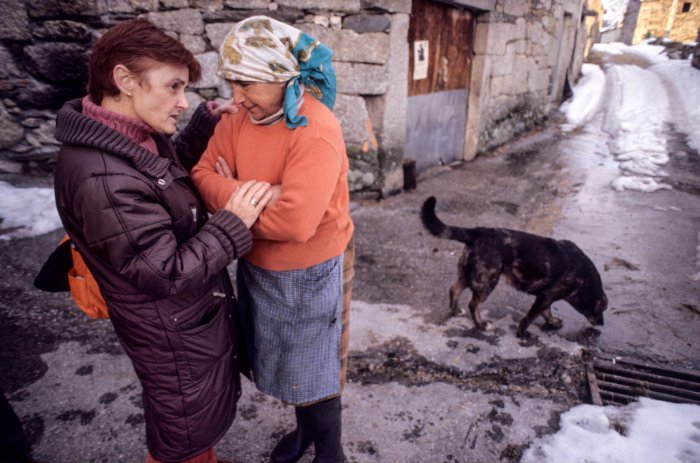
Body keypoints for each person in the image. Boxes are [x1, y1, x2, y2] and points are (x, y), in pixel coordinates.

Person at [52, 19, 273, 463]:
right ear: (125, 80)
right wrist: (233, 223)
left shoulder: (125, 135)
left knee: (192, 426)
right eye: (173, 87)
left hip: (178, 324)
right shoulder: (102, 178)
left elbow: (160, 183)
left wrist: (202, 124)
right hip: (170, 333)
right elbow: (163, 271)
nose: (182, 100)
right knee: (182, 434)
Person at [191, 16, 355, 463]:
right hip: (258, 265)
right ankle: (305, 436)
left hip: (313, 267)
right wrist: (253, 195)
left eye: (246, 84)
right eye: (232, 83)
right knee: (286, 364)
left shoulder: (316, 129)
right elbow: (201, 176)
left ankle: (331, 452)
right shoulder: (239, 119)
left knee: (317, 368)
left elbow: (296, 224)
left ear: (283, 78)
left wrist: (233, 195)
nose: (236, 98)